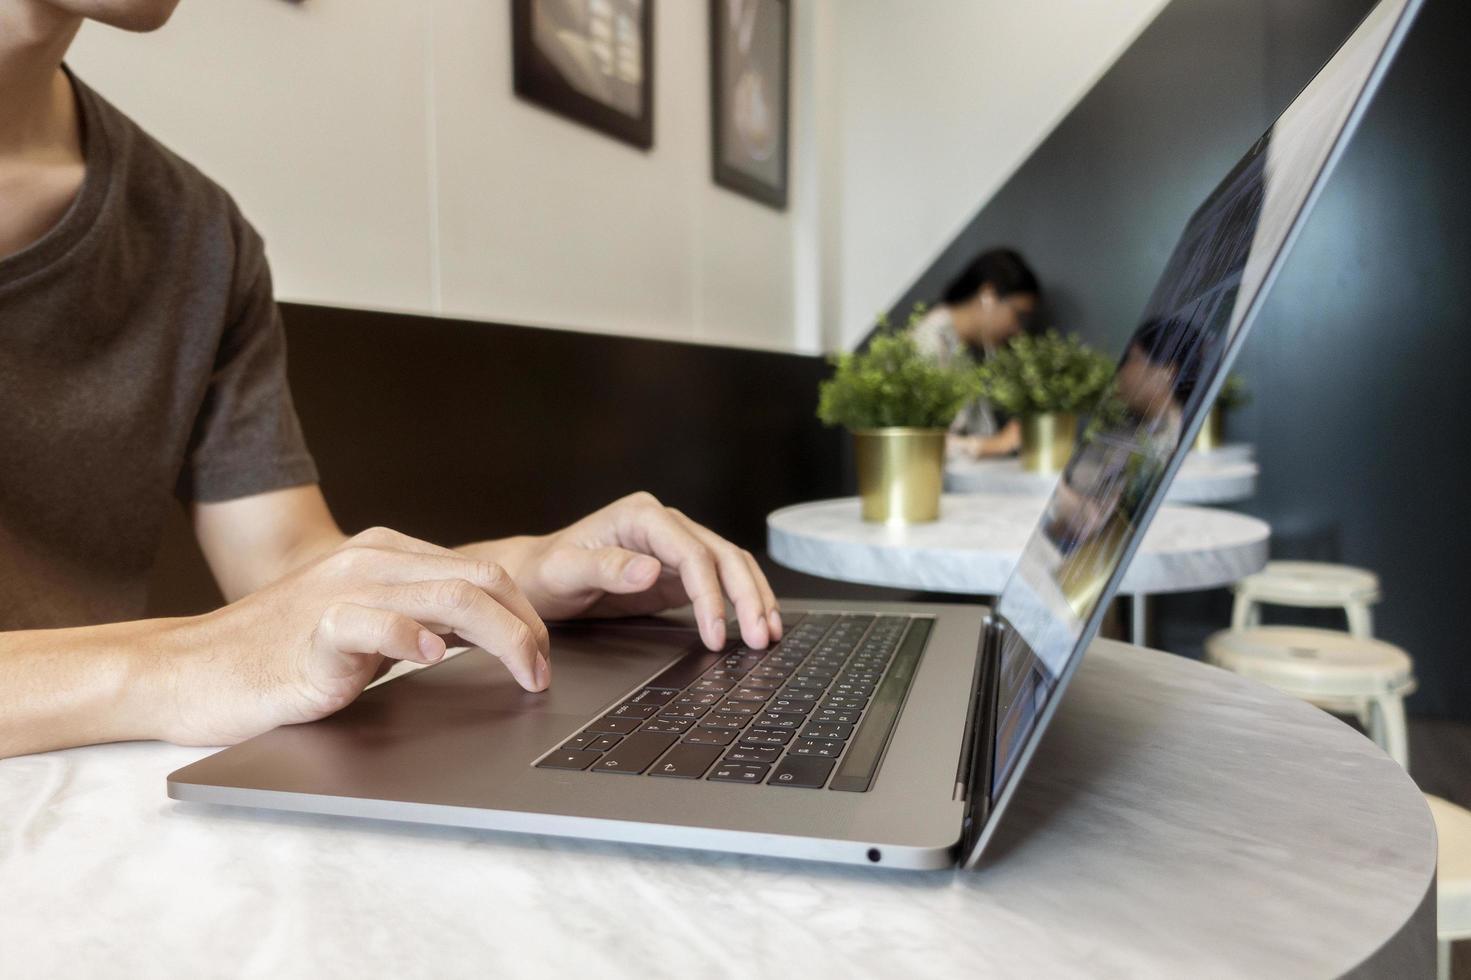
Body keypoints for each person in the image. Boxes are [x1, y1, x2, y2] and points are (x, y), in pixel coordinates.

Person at [0, 0, 782, 760]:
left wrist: (526, 571)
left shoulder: (196, 234)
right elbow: (235, 635)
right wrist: (187, 660)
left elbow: (283, 562)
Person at [909, 248, 1040, 458]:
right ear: (988, 294)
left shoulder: (967, 350)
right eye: (1019, 315)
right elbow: (916, 445)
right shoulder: (929, 341)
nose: (1018, 330)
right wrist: (997, 444)